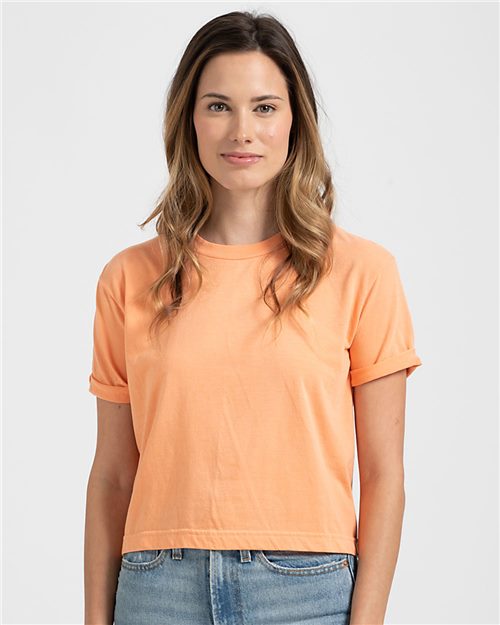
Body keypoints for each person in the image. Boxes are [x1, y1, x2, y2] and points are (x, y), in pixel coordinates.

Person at [84, 10, 422, 625]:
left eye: (265, 107)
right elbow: (111, 475)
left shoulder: (362, 272)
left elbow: (383, 476)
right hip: (157, 589)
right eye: (219, 106)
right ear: (189, 119)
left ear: (295, 121)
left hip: (306, 590)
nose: (242, 131)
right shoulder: (130, 277)